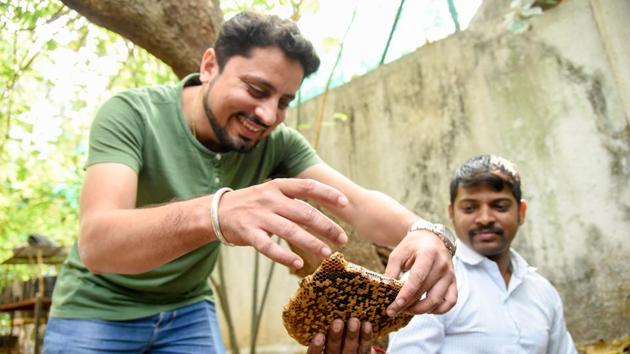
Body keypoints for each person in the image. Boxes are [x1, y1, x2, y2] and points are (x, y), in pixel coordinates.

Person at [43, 11, 457, 353]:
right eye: (256, 89)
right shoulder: (131, 114)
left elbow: (358, 203)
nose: (268, 115)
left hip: (187, 310)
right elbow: (98, 243)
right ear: (209, 67)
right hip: (95, 310)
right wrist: (216, 212)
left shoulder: (275, 144)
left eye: (283, 101)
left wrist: (426, 233)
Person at [388, 155, 577, 354]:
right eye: (470, 208)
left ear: (521, 212)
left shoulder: (543, 292)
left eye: (499, 206)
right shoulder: (429, 281)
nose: (485, 218)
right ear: (452, 213)